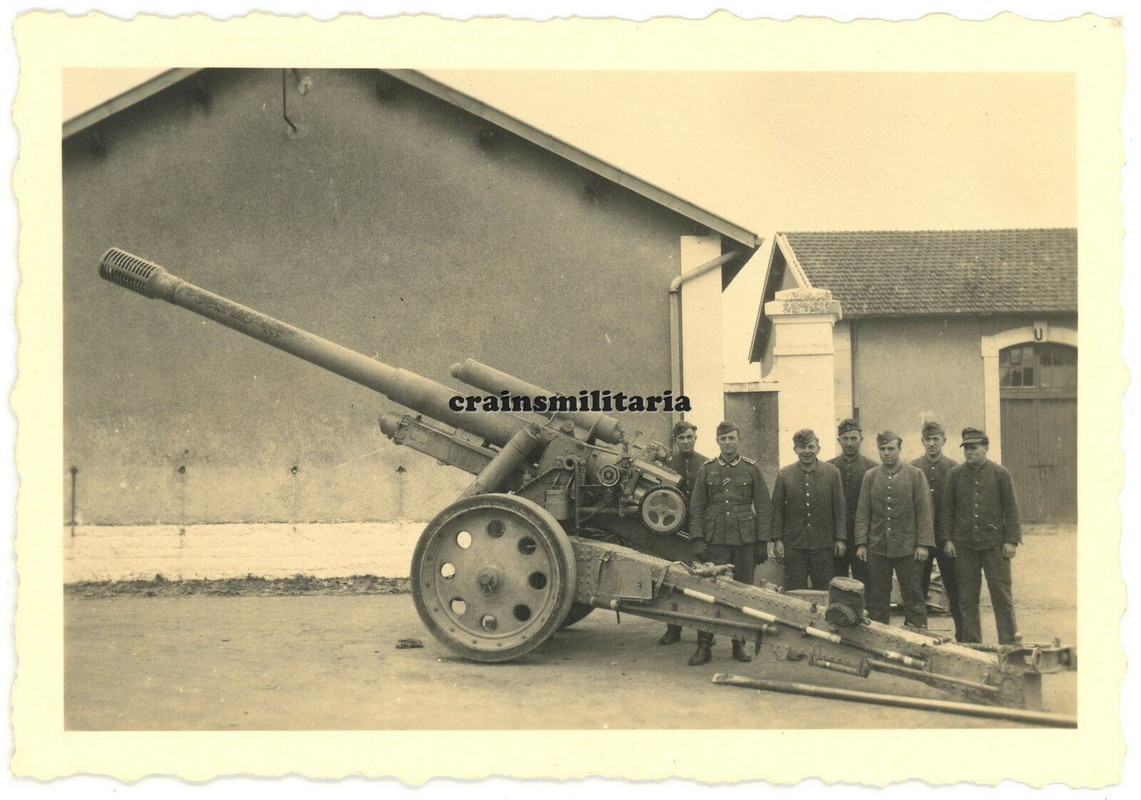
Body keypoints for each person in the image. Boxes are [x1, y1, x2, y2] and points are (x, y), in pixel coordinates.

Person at [687, 421, 773, 666]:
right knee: (709, 593)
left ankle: (739, 643)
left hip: (745, 541)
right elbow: (697, 507)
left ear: (739, 439)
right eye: (723, 439)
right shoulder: (707, 469)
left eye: (731, 438)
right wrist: (698, 538)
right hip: (715, 540)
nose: (727, 443)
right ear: (717, 441)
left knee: (743, 592)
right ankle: (704, 646)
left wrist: (761, 542)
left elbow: (764, 508)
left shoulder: (751, 469)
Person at [940, 427, 1022, 644]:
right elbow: (947, 510)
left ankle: (1009, 645)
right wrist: (947, 539)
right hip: (964, 547)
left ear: (986, 448)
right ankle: (972, 645)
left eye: (973, 447)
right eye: (966, 448)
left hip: (995, 546)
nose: (969, 452)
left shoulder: (1000, 474)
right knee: (967, 599)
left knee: (1002, 598)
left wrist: (1011, 540)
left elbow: (1011, 509)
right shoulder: (955, 475)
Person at [854, 431, 934, 629]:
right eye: (882, 449)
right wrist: (861, 543)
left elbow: (924, 512)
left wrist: (923, 544)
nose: (886, 453)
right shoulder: (870, 477)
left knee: (913, 596)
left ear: (899, 449)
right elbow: (863, 512)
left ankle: (916, 640)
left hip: (908, 547)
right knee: (877, 598)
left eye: (891, 449)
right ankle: (880, 642)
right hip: (877, 547)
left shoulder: (915, 475)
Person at [769, 428, 846, 590]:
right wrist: (778, 540)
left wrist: (840, 538)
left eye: (811, 447)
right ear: (795, 450)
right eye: (802, 448)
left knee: (824, 590)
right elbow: (777, 510)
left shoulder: (832, 473)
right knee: (794, 590)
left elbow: (839, 508)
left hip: (823, 544)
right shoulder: (785, 474)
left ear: (818, 448)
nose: (807, 451)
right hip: (795, 545)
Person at [910, 420, 963, 640]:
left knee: (954, 586)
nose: (931, 444)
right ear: (922, 441)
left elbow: (958, 506)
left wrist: (950, 538)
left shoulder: (954, 468)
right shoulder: (913, 468)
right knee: (916, 589)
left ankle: (964, 636)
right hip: (920, 539)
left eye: (936, 439)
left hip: (945, 538)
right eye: (927, 439)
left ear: (944, 441)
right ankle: (916, 635)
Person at [658, 421, 709, 646]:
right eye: (681, 438)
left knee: (701, 580)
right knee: (671, 579)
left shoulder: (706, 464)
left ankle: (704, 632)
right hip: (671, 528)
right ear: (675, 441)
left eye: (689, 437)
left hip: (698, 529)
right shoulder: (666, 465)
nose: (686, 441)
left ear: (695, 438)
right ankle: (673, 628)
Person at [829, 418, 876, 585]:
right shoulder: (829, 468)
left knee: (864, 582)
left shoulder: (872, 468)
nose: (849, 443)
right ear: (839, 440)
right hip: (836, 537)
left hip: (863, 538)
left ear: (861, 440)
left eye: (854, 438)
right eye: (845, 438)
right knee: (837, 582)